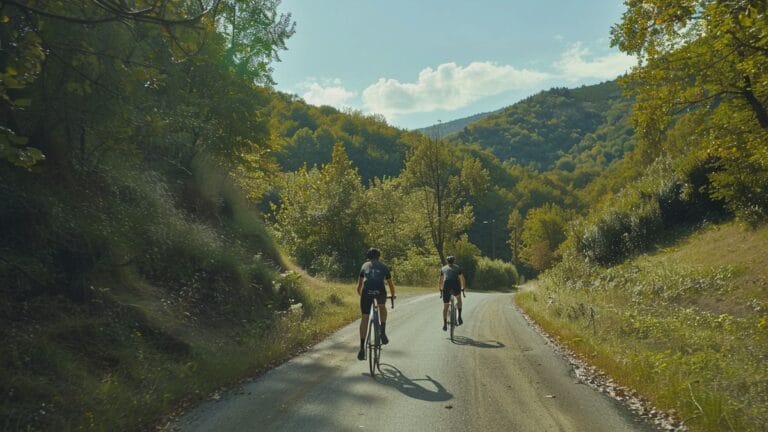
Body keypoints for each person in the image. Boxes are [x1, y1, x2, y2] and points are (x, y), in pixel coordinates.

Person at [356, 247, 396, 360]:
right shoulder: (384, 266)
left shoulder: (364, 265)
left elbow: (359, 286)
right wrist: (393, 295)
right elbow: (390, 284)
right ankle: (382, 332)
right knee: (382, 306)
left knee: (364, 317)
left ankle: (362, 348)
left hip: (366, 292)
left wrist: (361, 294)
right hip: (380, 291)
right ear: (379, 256)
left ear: (368, 257)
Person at [439, 255, 466, 331]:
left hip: (447, 285)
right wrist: (463, 288)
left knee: (446, 306)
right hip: (455, 284)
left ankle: (445, 324)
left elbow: (440, 281)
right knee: (459, 300)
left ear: (447, 261)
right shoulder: (457, 268)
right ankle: (459, 317)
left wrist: (441, 289)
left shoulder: (443, 268)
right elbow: (462, 279)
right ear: (454, 261)